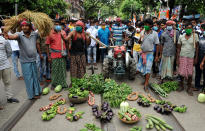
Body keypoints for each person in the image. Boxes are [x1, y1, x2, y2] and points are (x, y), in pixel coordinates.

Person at [4, 19, 42, 99]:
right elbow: (12, 36)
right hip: (25, 61)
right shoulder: (19, 35)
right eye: (23, 26)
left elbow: (43, 32)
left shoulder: (34, 34)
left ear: (30, 27)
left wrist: (40, 23)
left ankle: (37, 92)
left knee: (35, 76)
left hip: (33, 60)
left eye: (26, 26)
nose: (24, 27)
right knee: (28, 78)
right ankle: (31, 95)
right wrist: (8, 36)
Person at [137, 18, 160, 92]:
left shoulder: (155, 34)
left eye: (147, 24)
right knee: (142, 68)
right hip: (142, 53)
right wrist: (140, 39)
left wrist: (156, 56)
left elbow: (157, 45)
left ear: (150, 25)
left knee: (148, 69)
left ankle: (146, 83)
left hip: (150, 54)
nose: (145, 26)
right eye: (145, 24)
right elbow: (139, 42)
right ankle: (145, 80)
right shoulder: (142, 32)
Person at [177, 22, 199, 96]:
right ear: (185, 28)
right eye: (187, 28)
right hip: (182, 56)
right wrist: (177, 59)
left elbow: (197, 48)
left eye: (190, 28)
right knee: (181, 72)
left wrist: (196, 58)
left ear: (192, 29)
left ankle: (189, 87)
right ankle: (181, 85)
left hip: (191, 57)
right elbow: (178, 48)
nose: (189, 29)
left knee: (190, 73)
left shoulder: (195, 36)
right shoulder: (181, 36)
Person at [65, 20, 90, 85]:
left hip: (82, 54)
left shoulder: (84, 33)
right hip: (74, 54)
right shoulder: (73, 32)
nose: (77, 27)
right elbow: (67, 38)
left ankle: (81, 83)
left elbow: (87, 44)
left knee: (82, 69)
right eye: (77, 26)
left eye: (79, 26)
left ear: (82, 27)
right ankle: (73, 83)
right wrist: (66, 37)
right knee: (74, 69)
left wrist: (88, 37)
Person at [46, 19, 68, 89]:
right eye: (55, 24)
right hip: (54, 54)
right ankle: (54, 84)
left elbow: (67, 42)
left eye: (58, 24)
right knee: (55, 70)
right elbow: (47, 45)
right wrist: (48, 56)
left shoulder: (63, 32)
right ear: (53, 25)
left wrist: (68, 52)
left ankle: (62, 83)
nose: (57, 26)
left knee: (62, 69)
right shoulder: (50, 33)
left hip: (62, 54)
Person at [194, 23, 205, 91]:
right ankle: (197, 86)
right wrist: (196, 58)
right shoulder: (200, 39)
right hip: (198, 58)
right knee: (198, 73)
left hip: (203, 59)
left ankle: (203, 88)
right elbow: (197, 49)